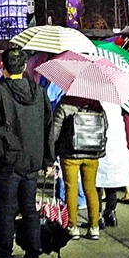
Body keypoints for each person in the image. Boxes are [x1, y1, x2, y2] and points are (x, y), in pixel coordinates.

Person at [0, 48, 52, 258]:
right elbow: (48, 129)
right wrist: (47, 159)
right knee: (30, 210)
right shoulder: (39, 93)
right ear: (24, 66)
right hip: (32, 161)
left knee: (5, 211)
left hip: (6, 161)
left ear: (3, 66)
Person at [49, 93, 108, 240]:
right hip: (91, 153)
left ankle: (72, 226)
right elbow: (105, 127)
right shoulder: (97, 106)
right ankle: (94, 227)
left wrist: (51, 154)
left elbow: (54, 132)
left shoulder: (65, 105)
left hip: (70, 154)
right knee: (91, 188)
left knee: (71, 188)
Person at [96, 104, 129, 228]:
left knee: (96, 182)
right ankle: (111, 212)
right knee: (112, 182)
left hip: (100, 143)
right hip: (117, 145)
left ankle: (98, 216)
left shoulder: (97, 103)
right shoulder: (117, 103)